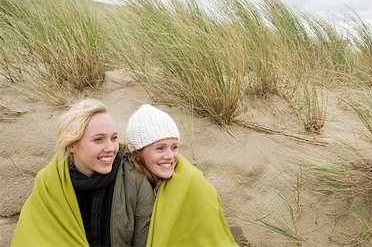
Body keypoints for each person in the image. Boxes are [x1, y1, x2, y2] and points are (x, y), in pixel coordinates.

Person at [12, 99, 154, 247]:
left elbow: (145, 239)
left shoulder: (134, 177)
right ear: (72, 144)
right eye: (98, 139)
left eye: (113, 138)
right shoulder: (49, 184)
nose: (111, 147)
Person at [126, 104, 238, 246]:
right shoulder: (128, 182)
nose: (170, 156)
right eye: (159, 148)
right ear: (137, 153)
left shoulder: (193, 184)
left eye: (174, 147)